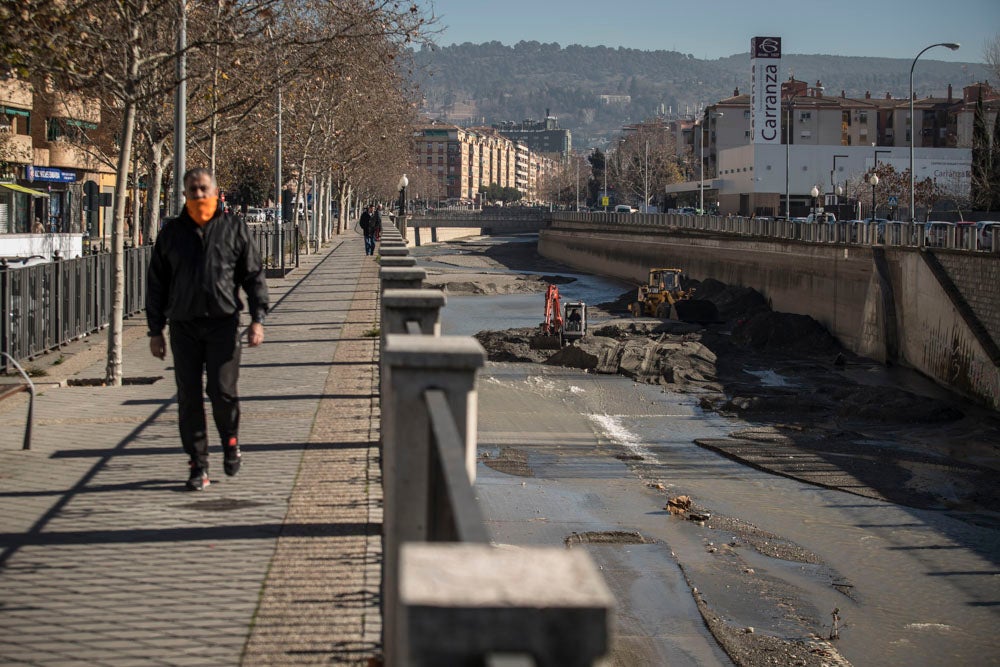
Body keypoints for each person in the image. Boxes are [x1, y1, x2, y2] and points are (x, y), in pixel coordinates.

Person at [146, 167, 269, 491]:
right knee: (188, 397)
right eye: (193, 190)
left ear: (215, 192)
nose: (199, 194)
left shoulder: (233, 227)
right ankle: (198, 464)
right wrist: (155, 330)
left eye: (203, 189)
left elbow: (253, 275)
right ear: (184, 194)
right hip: (183, 326)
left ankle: (230, 442)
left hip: (223, 324)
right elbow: (156, 284)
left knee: (222, 391)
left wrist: (258, 319)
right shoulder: (172, 233)